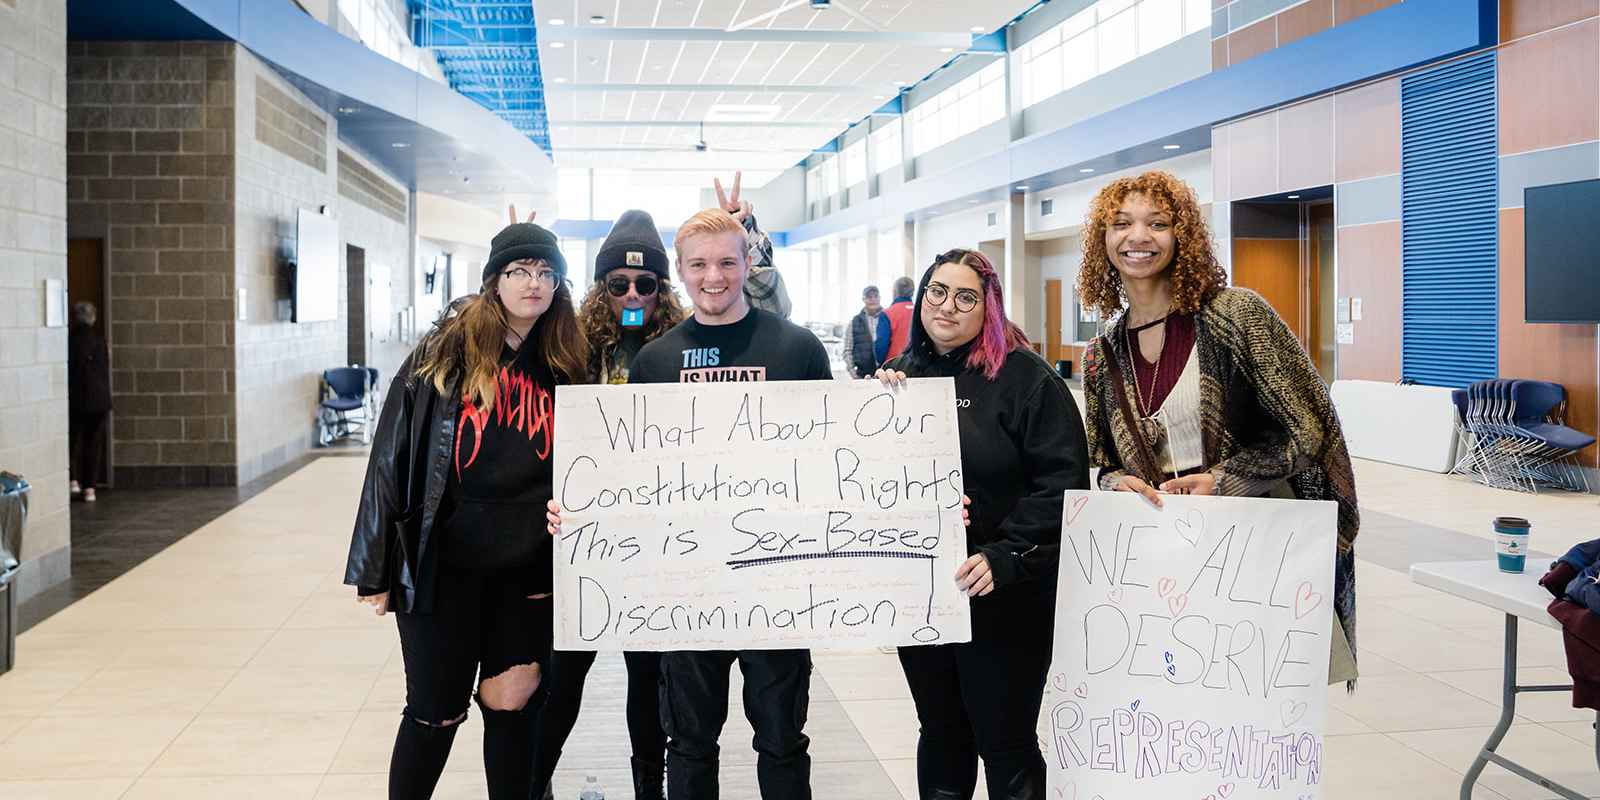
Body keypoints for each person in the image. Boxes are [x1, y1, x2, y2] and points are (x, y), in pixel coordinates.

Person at [547, 207, 832, 800]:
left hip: (774, 583)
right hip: (686, 586)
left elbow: (833, 457)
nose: (714, 276)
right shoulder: (656, 363)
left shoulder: (798, 351)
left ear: (748, 262)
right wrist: (581, 509)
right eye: (699, 264)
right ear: (681, 271)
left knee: (782, 740)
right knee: (691, 745)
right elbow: (631, 474)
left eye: (728, 261)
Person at [1076, 169, 1360, 687]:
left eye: (1157, 223)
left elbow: (1311, 427)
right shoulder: (1101, 355)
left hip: (1252, 550)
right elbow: (1100, 461)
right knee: (1179, 707)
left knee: (1257, 708)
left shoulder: (1235, 315)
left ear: (1182, 235)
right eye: (1121, 224)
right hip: (1163, 559)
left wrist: (1225, 479)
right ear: (1103, 241)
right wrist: (1118, 482)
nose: (1138, 237)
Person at [345, 217, 587, 800]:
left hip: (529, 568)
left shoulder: (566, 361)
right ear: (493, 282)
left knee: (515, 702)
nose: (533, 282)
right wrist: (374, 567)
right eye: (519, 271)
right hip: (445, 567)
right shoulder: (444, 355)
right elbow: (390, 457)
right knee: (436, 712)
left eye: (546, 272)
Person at [875, 248, 1089, 800]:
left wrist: (1006, 554)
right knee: (941, 733)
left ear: (987, 307)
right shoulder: (901, 379)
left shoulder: (1026, 380)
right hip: (924, 594)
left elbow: (1062, 485)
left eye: (965, 297)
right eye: (937, 292)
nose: (947, 306)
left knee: (1005, 740)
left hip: (1004, 597)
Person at [531, 208, 688, 800]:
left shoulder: (681, 349)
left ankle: (649, 786)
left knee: (649, 679)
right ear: (600, 288)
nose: (631, 293)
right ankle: (532, 779)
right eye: (617, 283)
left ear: (662, 288)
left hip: (656, 544)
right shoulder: (570, 345)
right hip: (583, 542)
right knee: (564, 674)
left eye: (646, 283)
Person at [68, 302, 112, 503]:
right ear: (93, 318)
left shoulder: (69, 341)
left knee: (72, 441)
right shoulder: (100, 341)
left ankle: (72, 480)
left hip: (76, 399)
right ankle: (90, 488)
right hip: (98, 401)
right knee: (93, 445)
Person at [842, 284, 891, 378]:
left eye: (875, 296)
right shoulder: (854, 322)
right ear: (863, 299)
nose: (873, 299)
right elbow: (847, 350)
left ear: (880, 298)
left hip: (886, 375)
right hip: (863, 375)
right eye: (869, 297)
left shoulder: (888, 318)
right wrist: (854, 375)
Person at [883, 275, 916, 360]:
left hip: (893, 366)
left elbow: (881, 345)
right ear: (912, 292)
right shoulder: (920, 311)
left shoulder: (887, 313)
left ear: (895, 291)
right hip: (917, 364)